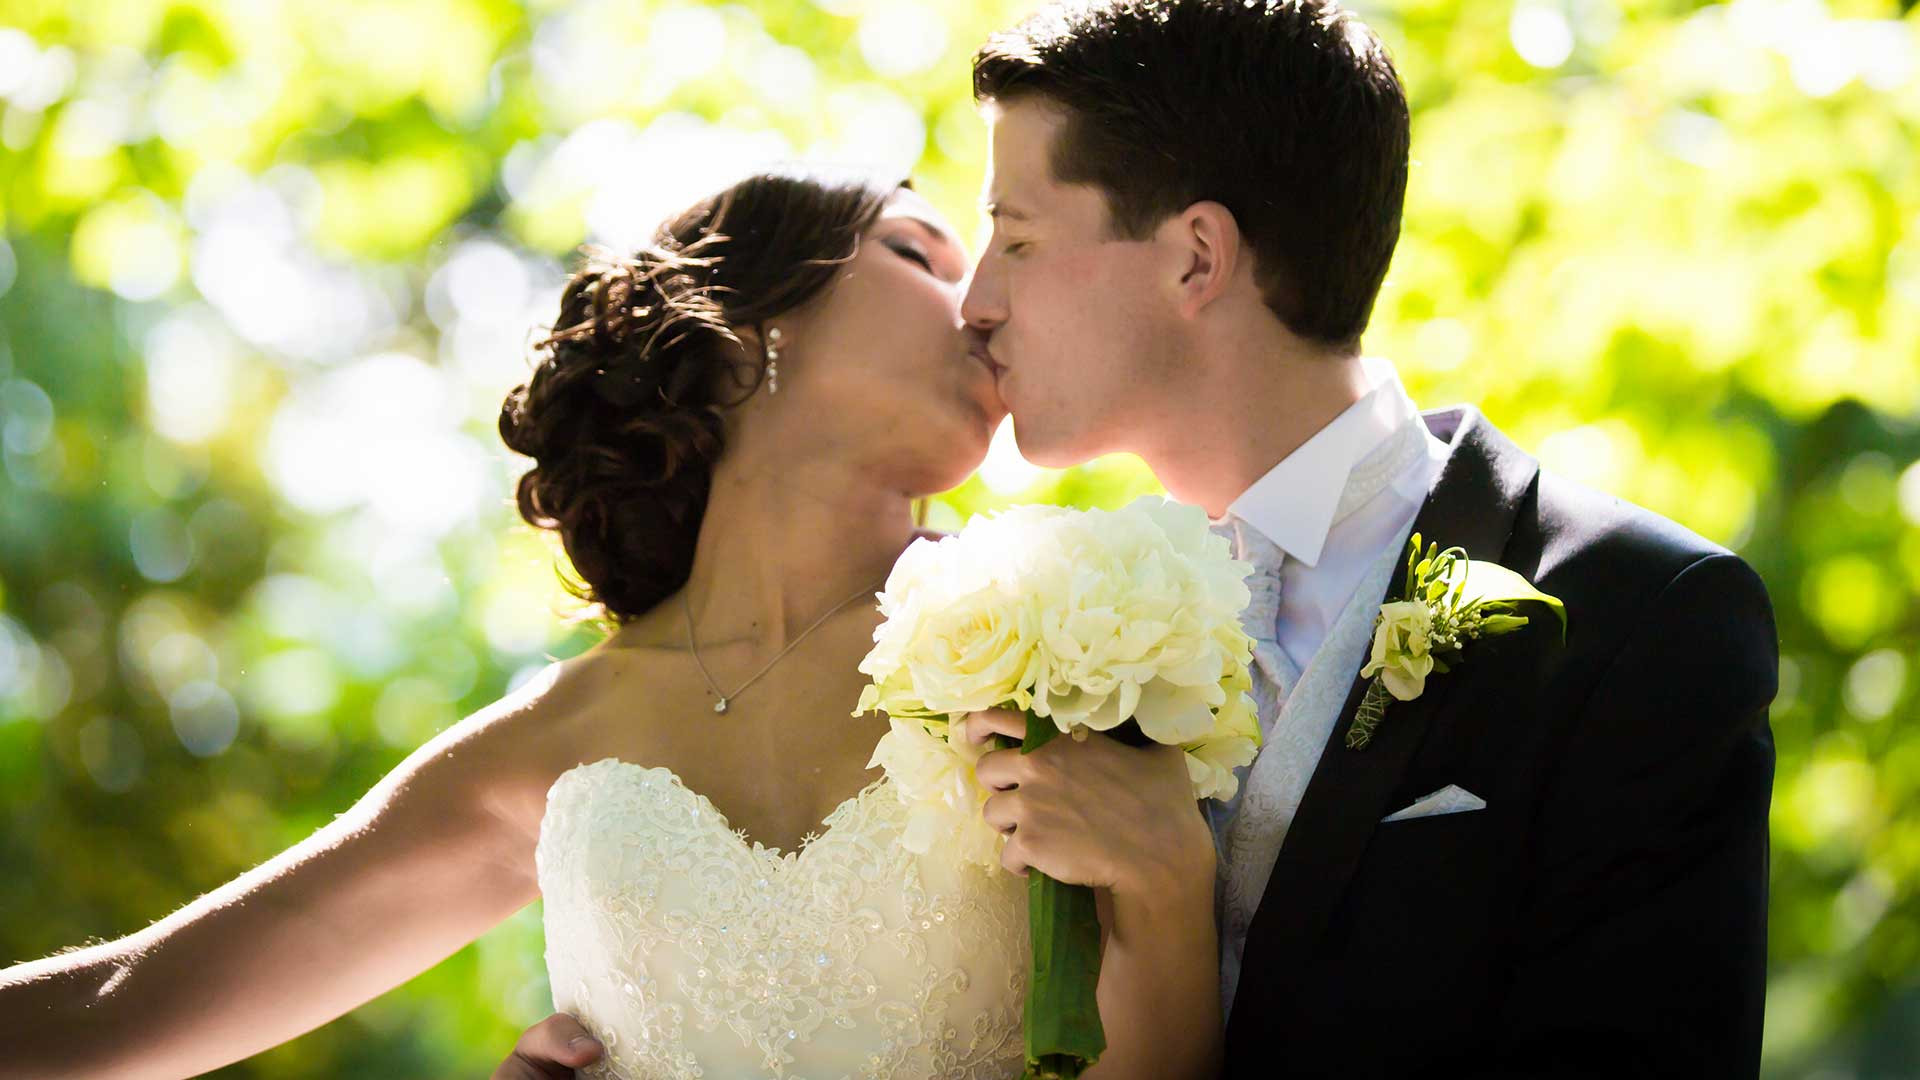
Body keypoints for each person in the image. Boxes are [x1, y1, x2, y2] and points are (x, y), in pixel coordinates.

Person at [509, 0, 1778, 1075]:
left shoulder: (1636, 614)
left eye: (1012, 238)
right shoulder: (1023, 627)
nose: (977, 305)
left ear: (1195, 260)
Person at [0, 171, 1224, 1080]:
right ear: (756, 326)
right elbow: (124, 1002)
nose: (983, 304)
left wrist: (1171, 889)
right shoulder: (558, 732)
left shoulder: (1067, 633)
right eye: (918, 252)